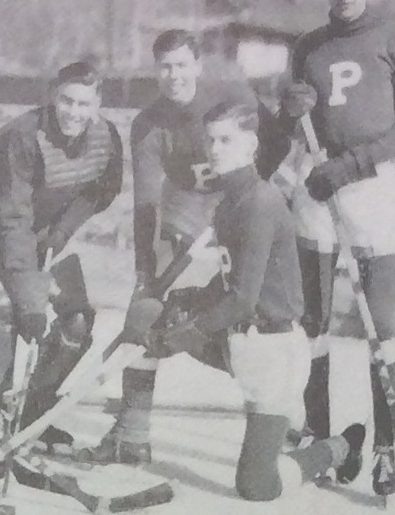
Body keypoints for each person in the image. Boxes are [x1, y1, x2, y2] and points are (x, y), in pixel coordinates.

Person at [129, 102, 366, 501]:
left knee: (257, 486)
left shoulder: (259, 203)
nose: (215, 149)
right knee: (148, 314)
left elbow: (242, 300)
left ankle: (338, 447)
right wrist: (191, 298)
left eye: (226, 139)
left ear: (251, 144)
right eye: (210, 139)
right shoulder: (228, 203)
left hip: (272, 352)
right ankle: (128, 431)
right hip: (238, 343)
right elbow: (230, 282)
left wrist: (181, 335)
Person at [80, 29, 287, 464]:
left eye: (181, 65)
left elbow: (277, 145)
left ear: (197, 65)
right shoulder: (149, 123)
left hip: (242, 193)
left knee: (270, 294)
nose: (173, 75)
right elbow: (147, 204)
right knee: (146, 308)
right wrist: (144, 275)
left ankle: (289, 414)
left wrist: (242, 201)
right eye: (164, 67)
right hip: (186, 203)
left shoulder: (231, 93)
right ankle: (132, 434)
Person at [278, 0, 395, 497]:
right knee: (312, 319)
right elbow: (287, 125)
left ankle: (385, 450)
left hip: (368, 187)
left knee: (380, 324)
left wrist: (353, 165)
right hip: (316, 184)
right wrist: (287, 112)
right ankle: (318, 433)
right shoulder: (307, 47)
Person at [0, 60, 123, 474]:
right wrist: (30, 300)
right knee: (4, 307)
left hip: (49, 231)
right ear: (53, 95)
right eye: (67, 100)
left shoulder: (107, 137)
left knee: (76, 322)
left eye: (83, 104)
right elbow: (12, 220)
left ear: (98, 103)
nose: (74, 112)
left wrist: (60, 233)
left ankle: (32, 414)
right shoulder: (20, 137)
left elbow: (102, 191)